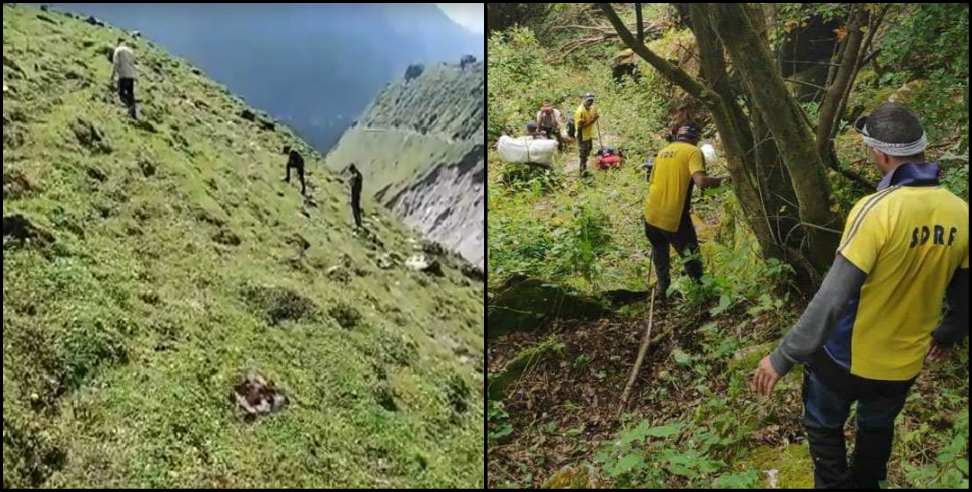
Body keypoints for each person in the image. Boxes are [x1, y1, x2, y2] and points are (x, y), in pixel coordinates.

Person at [752, 102, 969, 489]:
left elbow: (834, 296)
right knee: (876, 431)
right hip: (904, 363)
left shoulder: (876, 210)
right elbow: (965, 291)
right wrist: (948, 333)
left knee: (823, 425)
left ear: (881, 155)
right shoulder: (961, 212)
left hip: (846, 358)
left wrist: (783, 356)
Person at [642, 122, 723, 302]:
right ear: (695, 139)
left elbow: (652, 180)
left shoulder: (663, 152)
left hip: (651, 215)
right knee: (691, 256)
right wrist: (727, 180)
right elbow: (701, 181)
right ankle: (703, 294)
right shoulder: (693, 152)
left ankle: (663, 290)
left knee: (659, 250)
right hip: (674, 217)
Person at [110, 38, 137, 119]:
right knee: (130, 94)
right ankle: (133, 114)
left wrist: (112, 75)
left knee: (121, 94)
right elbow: (133, 64)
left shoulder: (117, 50)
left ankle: (130, 107)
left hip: (123, 75)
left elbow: (116, 63)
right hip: (131, 76)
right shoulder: (130, 51)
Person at [573, 93, 599, 177]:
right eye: (589, 100)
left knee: (589, 149)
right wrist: (592, 121)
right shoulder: (580, 111)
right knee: (583, 153)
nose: (590, 102)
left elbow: (593, 114)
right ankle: (582, 171)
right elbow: (580, 127)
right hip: (582, 135)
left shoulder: (590, 108)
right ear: (584, 100)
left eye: (591, 100)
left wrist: (595, 116)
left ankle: (584, 164)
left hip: (588, 134)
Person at [347, 164, 363, 229]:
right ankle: (359, 223)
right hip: (357, 193)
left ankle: (358, 223)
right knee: (357, 208)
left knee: (355, 208)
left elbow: (351, 183)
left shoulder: (355, 175)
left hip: (355, 194)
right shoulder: (358, 174)